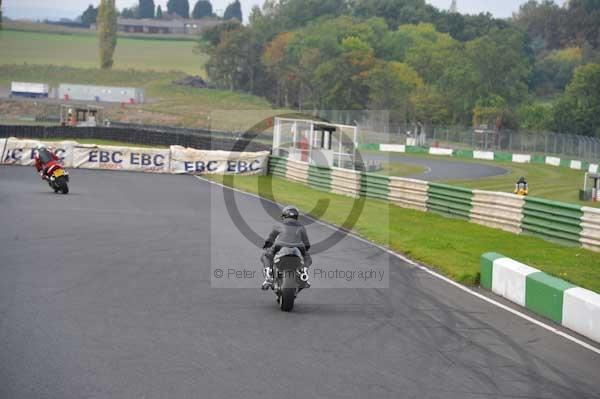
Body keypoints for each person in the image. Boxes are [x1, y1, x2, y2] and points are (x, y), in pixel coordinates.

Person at [261, 206, 312, 290]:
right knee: (307, 257)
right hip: (299, 246)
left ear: (284, 215)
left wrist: (267, 244)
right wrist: (306, 248)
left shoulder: (278, 225)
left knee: (266, 256)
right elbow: (306, 243)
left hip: (279, 245)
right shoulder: (301, 227)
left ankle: (269, 276)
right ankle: (304, 272)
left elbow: (271, 238)